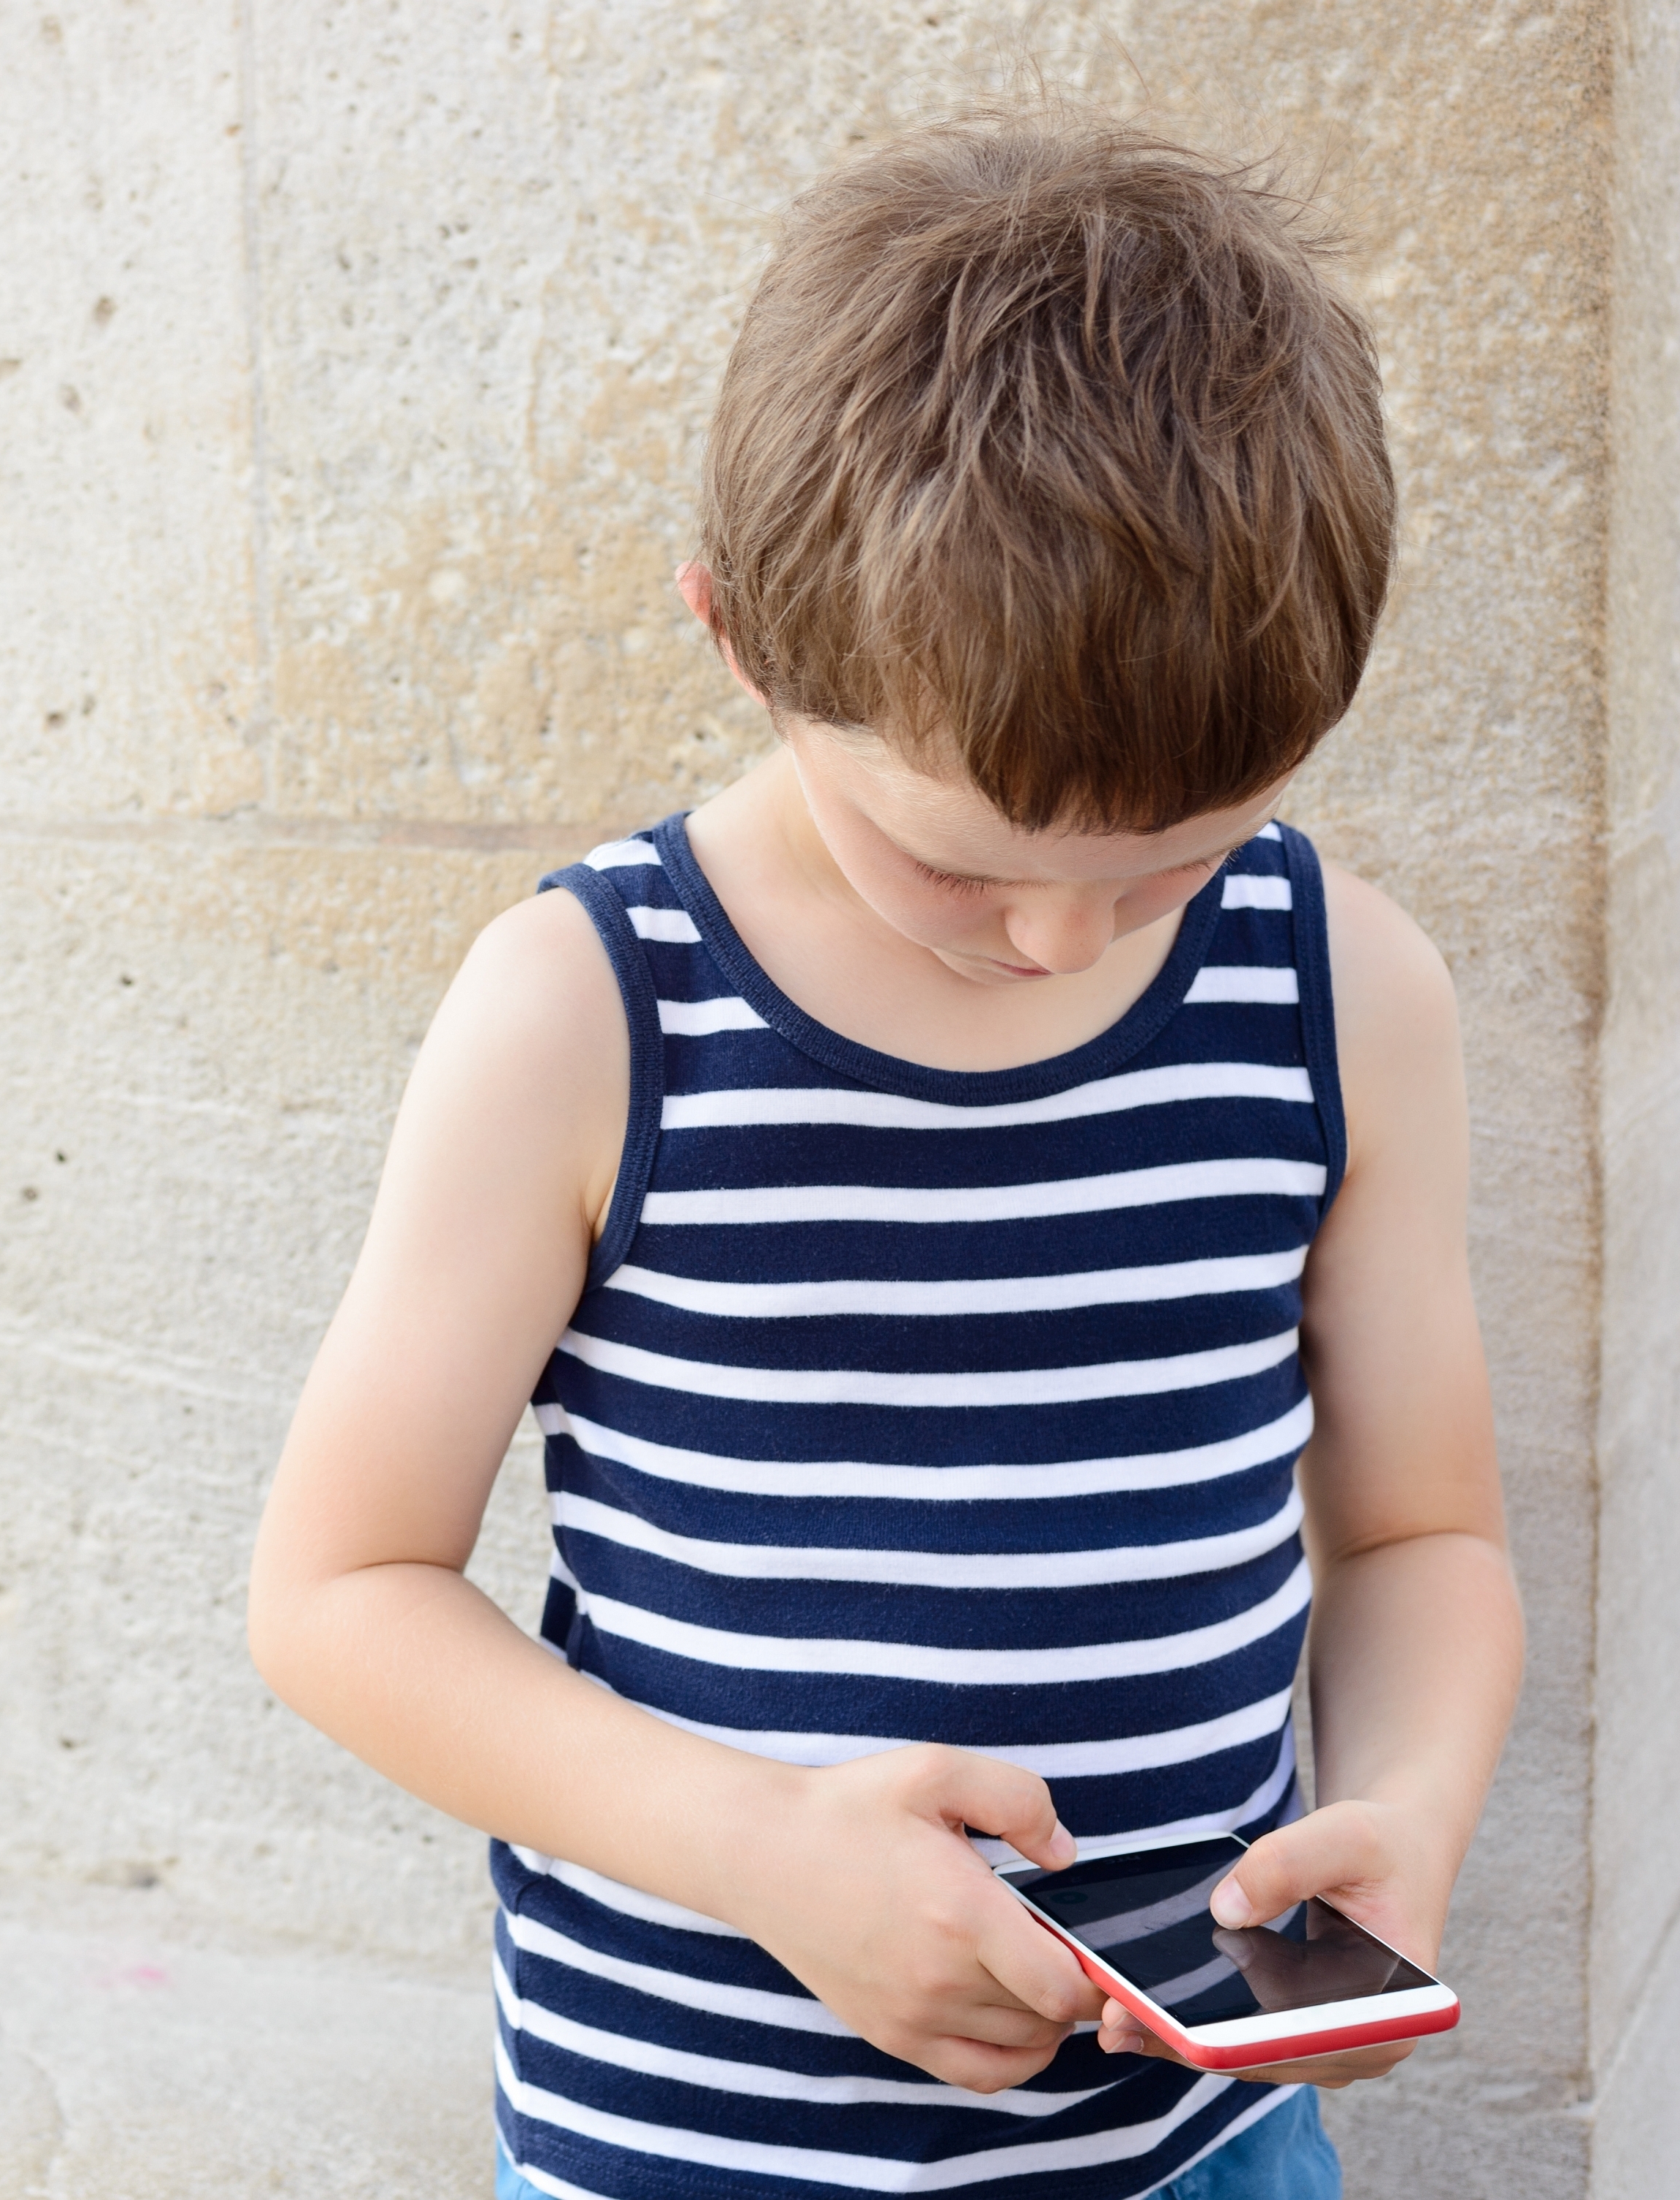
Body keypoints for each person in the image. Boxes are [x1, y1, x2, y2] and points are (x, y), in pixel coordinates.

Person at [245, 107, 1523, 2200]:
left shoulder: (1337, 990)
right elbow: (338, 1588)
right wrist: (766, 1854)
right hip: (691, 2160)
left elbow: (1416, 1537)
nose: (1055, 940)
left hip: (1197, 2149)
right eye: (953, 860)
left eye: (1171, 863)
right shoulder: (589, 1008)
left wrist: (1407, 1802)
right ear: (737, 633)